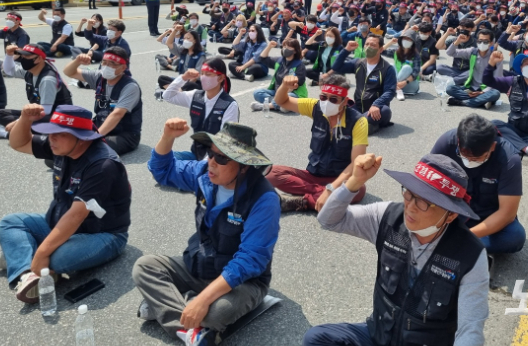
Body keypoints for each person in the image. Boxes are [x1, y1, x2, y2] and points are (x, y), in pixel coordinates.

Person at [303, 152, 488, 346]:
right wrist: (354, 182)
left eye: (425, 201)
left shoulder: (471, 255)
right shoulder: (388, 217)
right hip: (379, 334)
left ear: (450, 215)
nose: (411, 207)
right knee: (316, 338)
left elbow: (470, 330)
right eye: (409, 193)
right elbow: (328, 220)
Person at [133, 120, 279, 344]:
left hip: (243, 281)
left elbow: (251, 260)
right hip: (201, 263)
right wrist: (167, 136)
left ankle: (174, 307)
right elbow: (162, 171)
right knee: (144, 267)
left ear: (244, 165)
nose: (212, 163)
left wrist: (203, 300)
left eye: (222, 158)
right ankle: (192, 326)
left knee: (215, 313)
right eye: (210, 154)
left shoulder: (264, 199)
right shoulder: (203, 174)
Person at [0, 104, 131, 304]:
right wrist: (24, 119)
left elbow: (77, 215)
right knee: (10, 223)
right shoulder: (61, 146)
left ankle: (23, 255)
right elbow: (18, 143)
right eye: (50, 133)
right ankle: (27, 272)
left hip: (103, 234)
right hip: (60, 222)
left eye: (60, 134)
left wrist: (42, 252)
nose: (52, 138)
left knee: (58, 257)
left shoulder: (103, 165)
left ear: (82, 136)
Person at [269, 74, 368, 212]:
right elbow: (281, 101)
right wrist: (284, 86)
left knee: (359, 190)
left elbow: (356, 163)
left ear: (345, 101)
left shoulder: (358, 121)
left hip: (339, 177)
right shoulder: (315, 107)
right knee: (271, 173)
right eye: (323, 97)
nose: (326, 102)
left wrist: (332, 188)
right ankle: (320, 194)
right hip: (313, 175)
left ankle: (302, 201)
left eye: (333, 99)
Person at [431, 115, 525, 256]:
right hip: (454, 213)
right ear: (458, 142)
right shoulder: (447, 142)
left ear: (492, 147)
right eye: (463, 155)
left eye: (476, 159)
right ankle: (470, 249)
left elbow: (507, 214)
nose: (468, 161)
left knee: (515, 237)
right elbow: (426, 182)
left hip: (488, 217)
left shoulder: (509, 159)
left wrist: (464, 237)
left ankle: (457, 245)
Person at [63, 46, 142, 155]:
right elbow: (69, 72)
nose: (106, 66)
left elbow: (117, 114)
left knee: (87, 150)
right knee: (66, 138)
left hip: (123, 134)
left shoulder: (130, 86)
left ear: (123, 67)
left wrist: (94, 137)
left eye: (112, 63)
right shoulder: (99, 77)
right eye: (104, 62)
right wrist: (77, 61)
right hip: (100, 124)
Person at [162, 58, 239, 160]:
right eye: (202, 73)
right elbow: (168, 96)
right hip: (196, 156)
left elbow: (225, 143)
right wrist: (184, 78)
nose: (203, 78)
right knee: (161, 161)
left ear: (220, 78)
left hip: (217, 161)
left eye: (208, 74)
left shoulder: (229, 105)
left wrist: (201, 166)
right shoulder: (196, 96)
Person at [0, 44, 73, 139]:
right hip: (39, 113)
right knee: (0, 114)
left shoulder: (47, 79)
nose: (23, 58)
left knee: (36, 123)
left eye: (27, 56)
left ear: (39, 59)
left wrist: (19, 122)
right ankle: (24, 131)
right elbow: (9, 70)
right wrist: (9, 55)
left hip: (58, 117)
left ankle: (10, 134)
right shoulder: (30, 71)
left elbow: (45, 111)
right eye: (23, 55)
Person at [332, 34, 396, 133]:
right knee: (336, 107)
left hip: (377, 109)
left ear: (381, 49)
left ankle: (356, 124)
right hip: (358, 106)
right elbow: (336, 67)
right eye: (367, 44)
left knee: (385, 110)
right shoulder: (358, 63)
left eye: (373, 45)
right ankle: (363, 125)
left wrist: (376, 104)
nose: (369, 47)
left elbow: (390, 91)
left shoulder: (387, 68)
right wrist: (346, 50)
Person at [444, 28, 502, 109]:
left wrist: (482, 92)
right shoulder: (472, 52)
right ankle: (481, 102)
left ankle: (462, 102)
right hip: (470, 88)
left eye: (485, 41)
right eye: (480, 41)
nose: (482, 43)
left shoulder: (495, 57)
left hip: (486, 89)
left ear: (491, 43)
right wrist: (457, 41)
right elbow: (449, 53)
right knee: (449, 88)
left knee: (496, 93)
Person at [251, 37, 307, 113]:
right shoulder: (279, 60)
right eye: (284, 46)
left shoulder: (299, 65)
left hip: (293, 94)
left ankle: (267, 106)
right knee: (257, 93)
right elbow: (262, 58)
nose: (285, 49)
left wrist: (282, 96)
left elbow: (297, 84)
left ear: (295, 51)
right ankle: (283, 105)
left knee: (290, 96)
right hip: (277, 92)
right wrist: (269, 46)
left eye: (288, 47)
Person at [384, 30, 420, 100]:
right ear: (401, 40)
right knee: (391, 65)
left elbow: (415, 73)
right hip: (397, 84)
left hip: (410, 84)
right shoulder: (396, 52)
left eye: (409, 39)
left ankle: (392, 87)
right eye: (405, 39)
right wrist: (390, 42)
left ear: (413, 43)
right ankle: (397, 89)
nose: (406, 41)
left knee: (407, 67)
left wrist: (405, 82)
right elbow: (380, 51)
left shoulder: (416, 55)